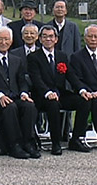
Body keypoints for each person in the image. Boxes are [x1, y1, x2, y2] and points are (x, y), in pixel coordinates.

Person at [29, 25, 93, 154]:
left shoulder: (62, 56)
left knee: (84, 101)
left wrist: (82, 90)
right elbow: (36, 80)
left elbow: (71, 76)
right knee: (53, 105)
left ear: (56, 39)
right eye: (45, 36)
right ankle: (56, 142)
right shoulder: (33, 57)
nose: (48, 39)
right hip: (42, 96)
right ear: (40, 39)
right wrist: (48, 93)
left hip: (61, 93)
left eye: (51, 36)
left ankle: (76, 139)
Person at [0, 26, 40, 159]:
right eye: (0, 39)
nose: (3, 42)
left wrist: (24, 93)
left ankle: (28, 142)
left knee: (29, 106)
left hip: (15, 96)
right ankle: (14, 145)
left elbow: (22, 80)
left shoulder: (16, 60)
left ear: (11, 41)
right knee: (10, 107)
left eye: (6, 39)